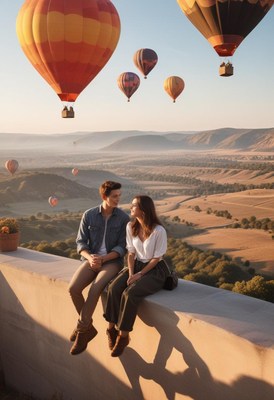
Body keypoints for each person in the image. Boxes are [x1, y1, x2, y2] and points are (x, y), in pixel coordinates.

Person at [68, 180, 130, 355]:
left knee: (95, 290)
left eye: (119, 195)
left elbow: (122, 247)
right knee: (73, 289)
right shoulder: (89, 215)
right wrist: (90, 257)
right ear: (104, 196)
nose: (118, 199)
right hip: (91, 259)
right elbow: (80, 242)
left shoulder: (123, 218)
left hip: (111, 262)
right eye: (114, 196)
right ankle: (89, 328)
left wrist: (103, 258)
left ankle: (82, 331)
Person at [104, 195, 169, 357]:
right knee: (113, 288)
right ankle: (111, 329)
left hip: (154, 270)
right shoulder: (130, 227)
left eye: (134, 205)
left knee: (130, 293)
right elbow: (131, 253)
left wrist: (140, 274)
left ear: (144, 210)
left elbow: (156, 258)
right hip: (136, 265)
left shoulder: (159, 231)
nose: (131, 207)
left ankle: (123, 336)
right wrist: (132, 273)